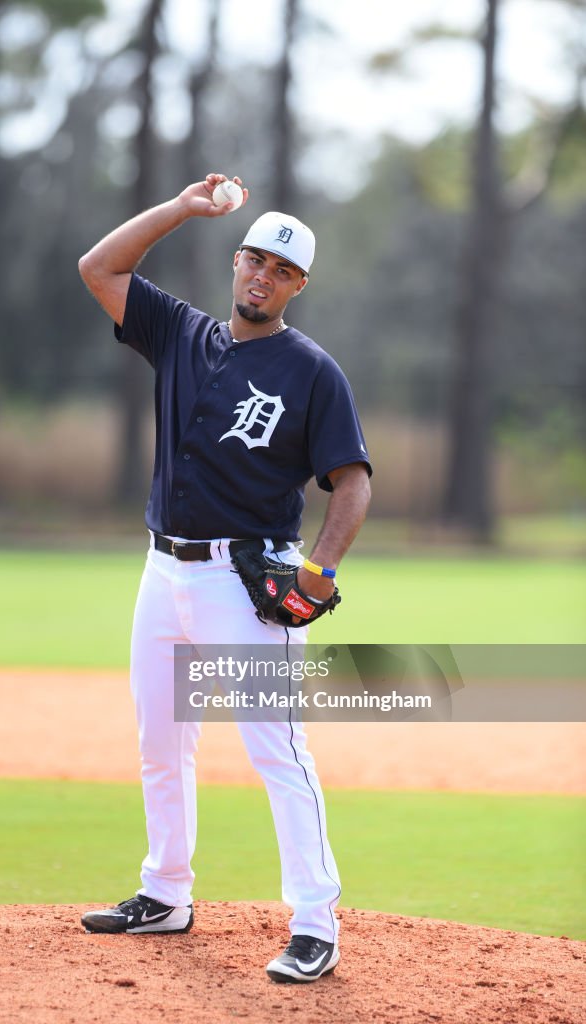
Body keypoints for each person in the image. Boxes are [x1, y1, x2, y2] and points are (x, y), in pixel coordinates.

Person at [77, 172, 372, 984]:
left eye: (280, 270)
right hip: (161, 570)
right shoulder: (180, 333)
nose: (261, 276)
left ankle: (316, 924)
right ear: (235, 262)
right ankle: (166, 892)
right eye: (253, 260)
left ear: (297, 286)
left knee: (276, 749)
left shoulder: (312, 372)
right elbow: (99, 269)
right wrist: (179, 209)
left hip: (244, 583)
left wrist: (319, 570)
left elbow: (353, 480)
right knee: (159, 743)